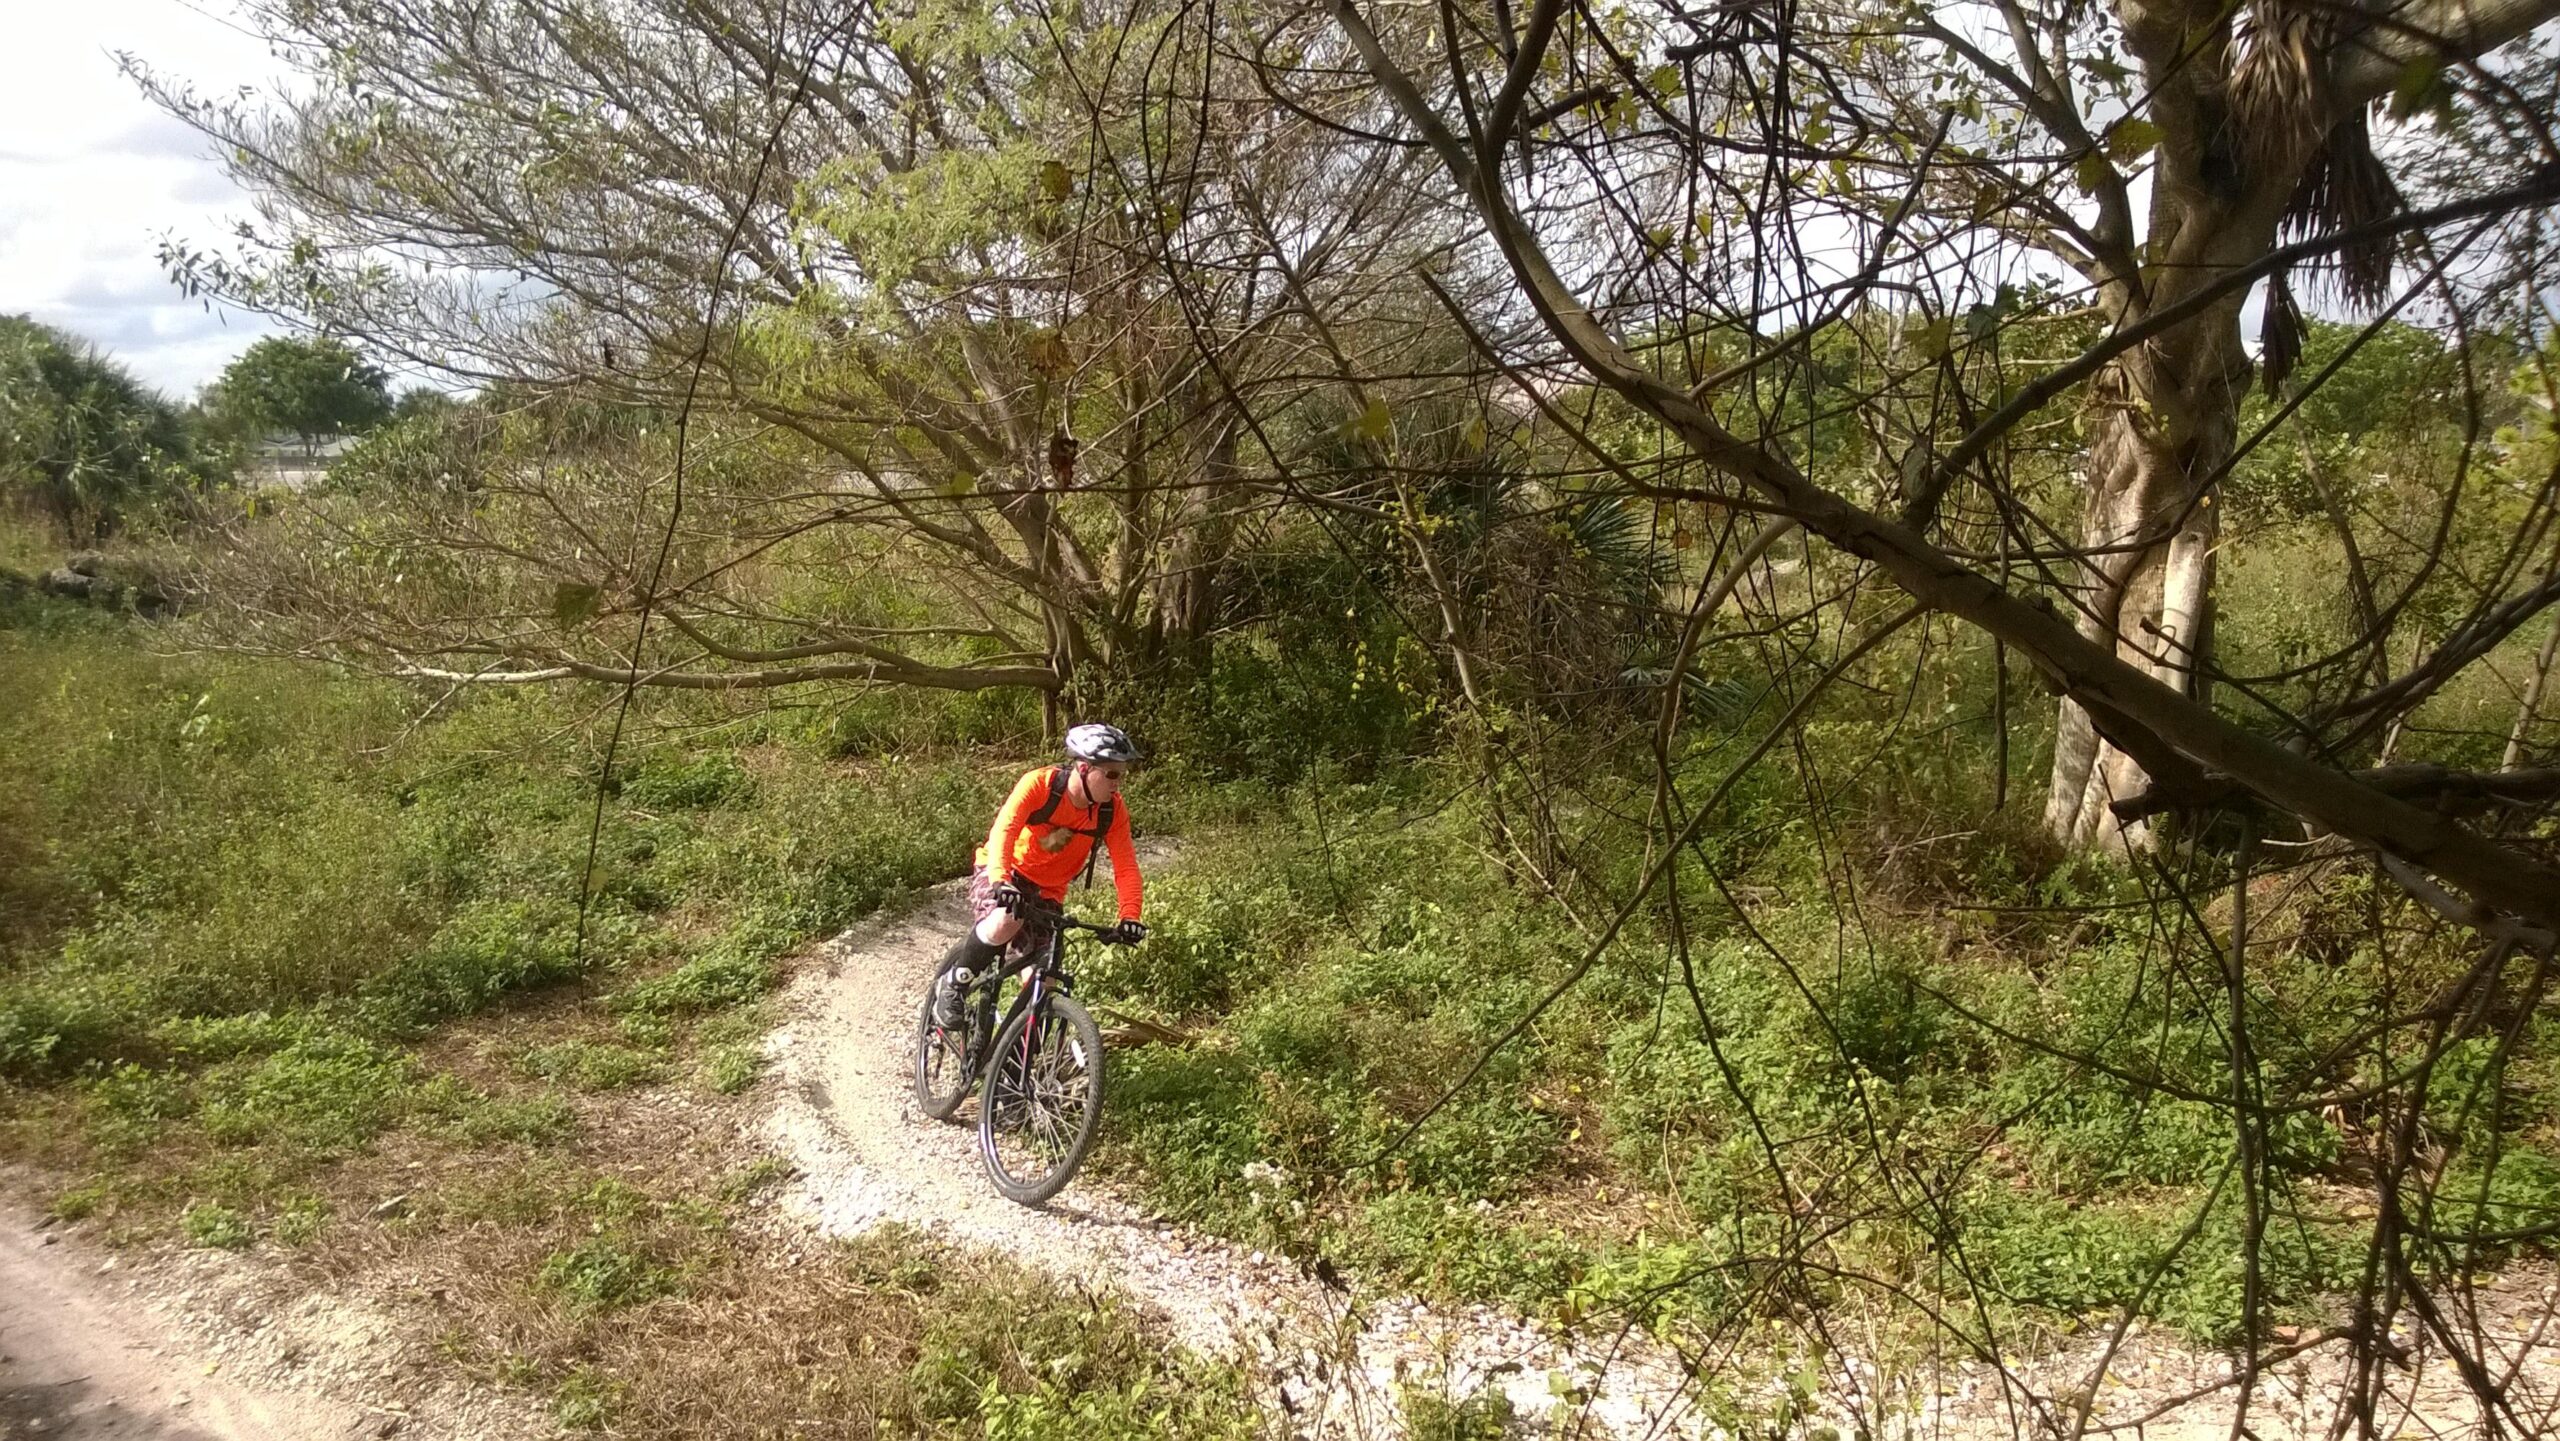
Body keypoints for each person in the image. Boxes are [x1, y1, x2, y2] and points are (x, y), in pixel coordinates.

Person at [933, 723, 1147, 1025]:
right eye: (1112, 774)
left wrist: (1130, 916)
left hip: (1048, 892)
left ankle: (1014, 1063)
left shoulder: (1112, 811)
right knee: (1007, 919)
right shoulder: (1041, 786)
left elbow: (1126, 867)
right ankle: (955, 982)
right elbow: (1004, 830)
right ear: (1084, 769)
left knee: (1042, 987)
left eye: (1122, 775)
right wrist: (1000, 879)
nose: (1118, 783)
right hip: (1003, 871)